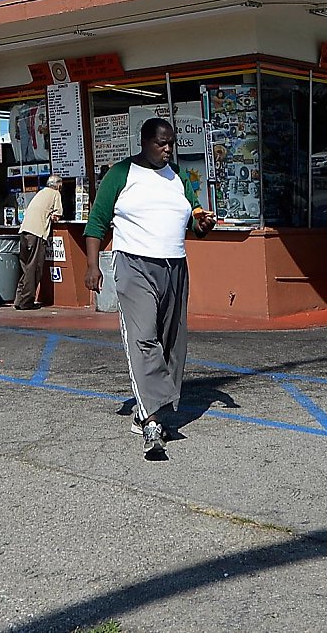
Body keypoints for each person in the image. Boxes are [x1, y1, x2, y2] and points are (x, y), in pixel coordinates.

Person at [84, 117, 215, 456]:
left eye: (171, 142)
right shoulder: (122, 174)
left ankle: (150, 407)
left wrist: (204, 223)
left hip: (174, 265)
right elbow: (97, 222)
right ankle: (152, 419)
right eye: (161, 143)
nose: (168, 148)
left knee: (173, 343)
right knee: (143, 338)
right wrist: (91, 266)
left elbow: (194, 223)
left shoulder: (179, 178)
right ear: (144, 142)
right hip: (134, 265)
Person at [13, 174, 64, 310]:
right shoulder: (55, 194)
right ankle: (26, 302)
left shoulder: (41, 193)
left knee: (25, 267)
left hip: (24, 231)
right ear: (58, 185)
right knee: (34, 268)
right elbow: (57, 215)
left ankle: (19, 300)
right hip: (37, 232)